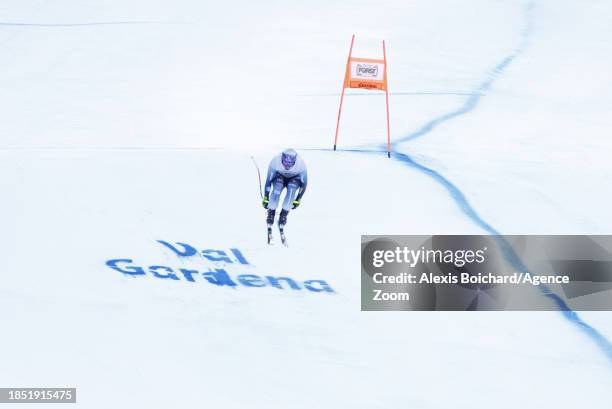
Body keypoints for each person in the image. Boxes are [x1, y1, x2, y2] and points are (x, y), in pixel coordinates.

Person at [262, 148, 308, 242]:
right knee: (276, 189)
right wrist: (266, 197)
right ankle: (271, 212)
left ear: (295, 161)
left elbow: (304, 184)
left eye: (290, 163)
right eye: (285, 162)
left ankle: (284, 215)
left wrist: (298, 199)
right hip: (279, 176)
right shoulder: (275, 161)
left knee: (291, 192)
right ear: (281, 159)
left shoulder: (301, 165)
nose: (287, 165)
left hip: (295, 178)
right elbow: (268, 181)